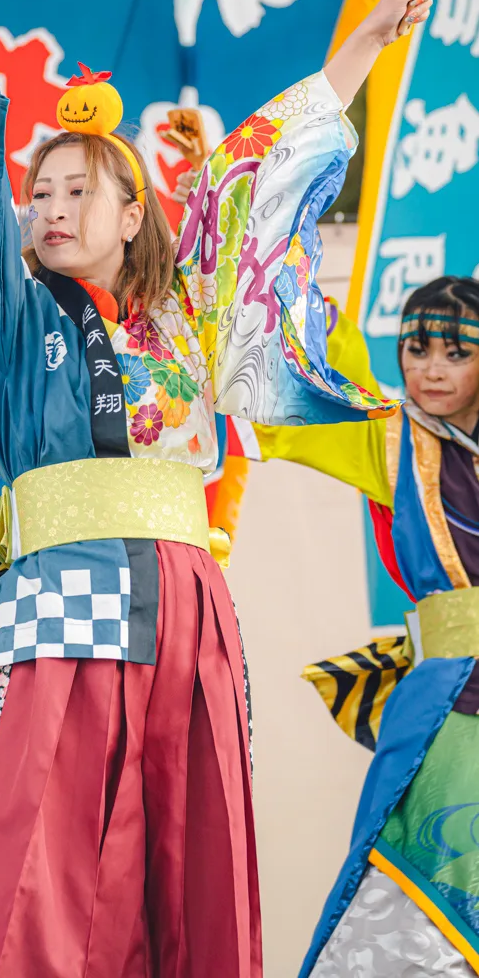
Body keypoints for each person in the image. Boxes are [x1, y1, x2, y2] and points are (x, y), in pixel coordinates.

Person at [0, 0, 436, 977]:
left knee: (190, 869)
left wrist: (367, 41)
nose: (49, 208)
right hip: (56, 599)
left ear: (134, 213)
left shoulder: (191, 314)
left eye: (78, 190)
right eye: (40, 192)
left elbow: (259, 182)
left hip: (185, 607)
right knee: (20, 874)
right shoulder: (13, 315)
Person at [250, 277, 479, 976]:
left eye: (456, 353)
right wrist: (284, 272)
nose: (431, 369)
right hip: (449, 710)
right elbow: (323, 370)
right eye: (415, 349)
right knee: (414, 898)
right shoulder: (391, 441)